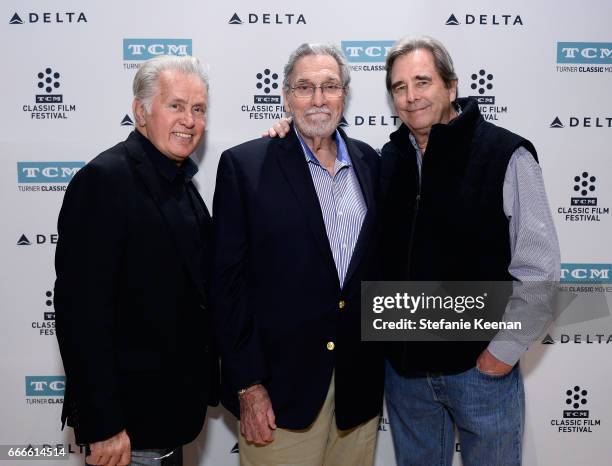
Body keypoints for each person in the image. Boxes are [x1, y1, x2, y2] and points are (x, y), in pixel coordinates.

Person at [379, 36, 560, 466]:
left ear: (452, 87)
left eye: (422, 81)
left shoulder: (506, 154)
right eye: (400, 87)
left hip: (479, 373)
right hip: (406, 379)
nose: (411, 96)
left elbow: (541, 270)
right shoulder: (389, 159)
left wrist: (500, 353)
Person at [211, 43, 384, 466]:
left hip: (357, 394)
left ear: (345, 95)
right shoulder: (246, 166)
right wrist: (248, 386)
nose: (318, 99)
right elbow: (225, 287)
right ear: (286, 96)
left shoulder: (373, 163)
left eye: (330, 86)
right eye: (305, 87)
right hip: (279, 397)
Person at [54, 55, 219, 466]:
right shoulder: (104, 181)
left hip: (170, 420)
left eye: (198, 109)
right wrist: (103, 425)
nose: (189, 120)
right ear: (141, 112)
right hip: (126, 433)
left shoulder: (181, 181)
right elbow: (81, 316)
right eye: (176, 105)